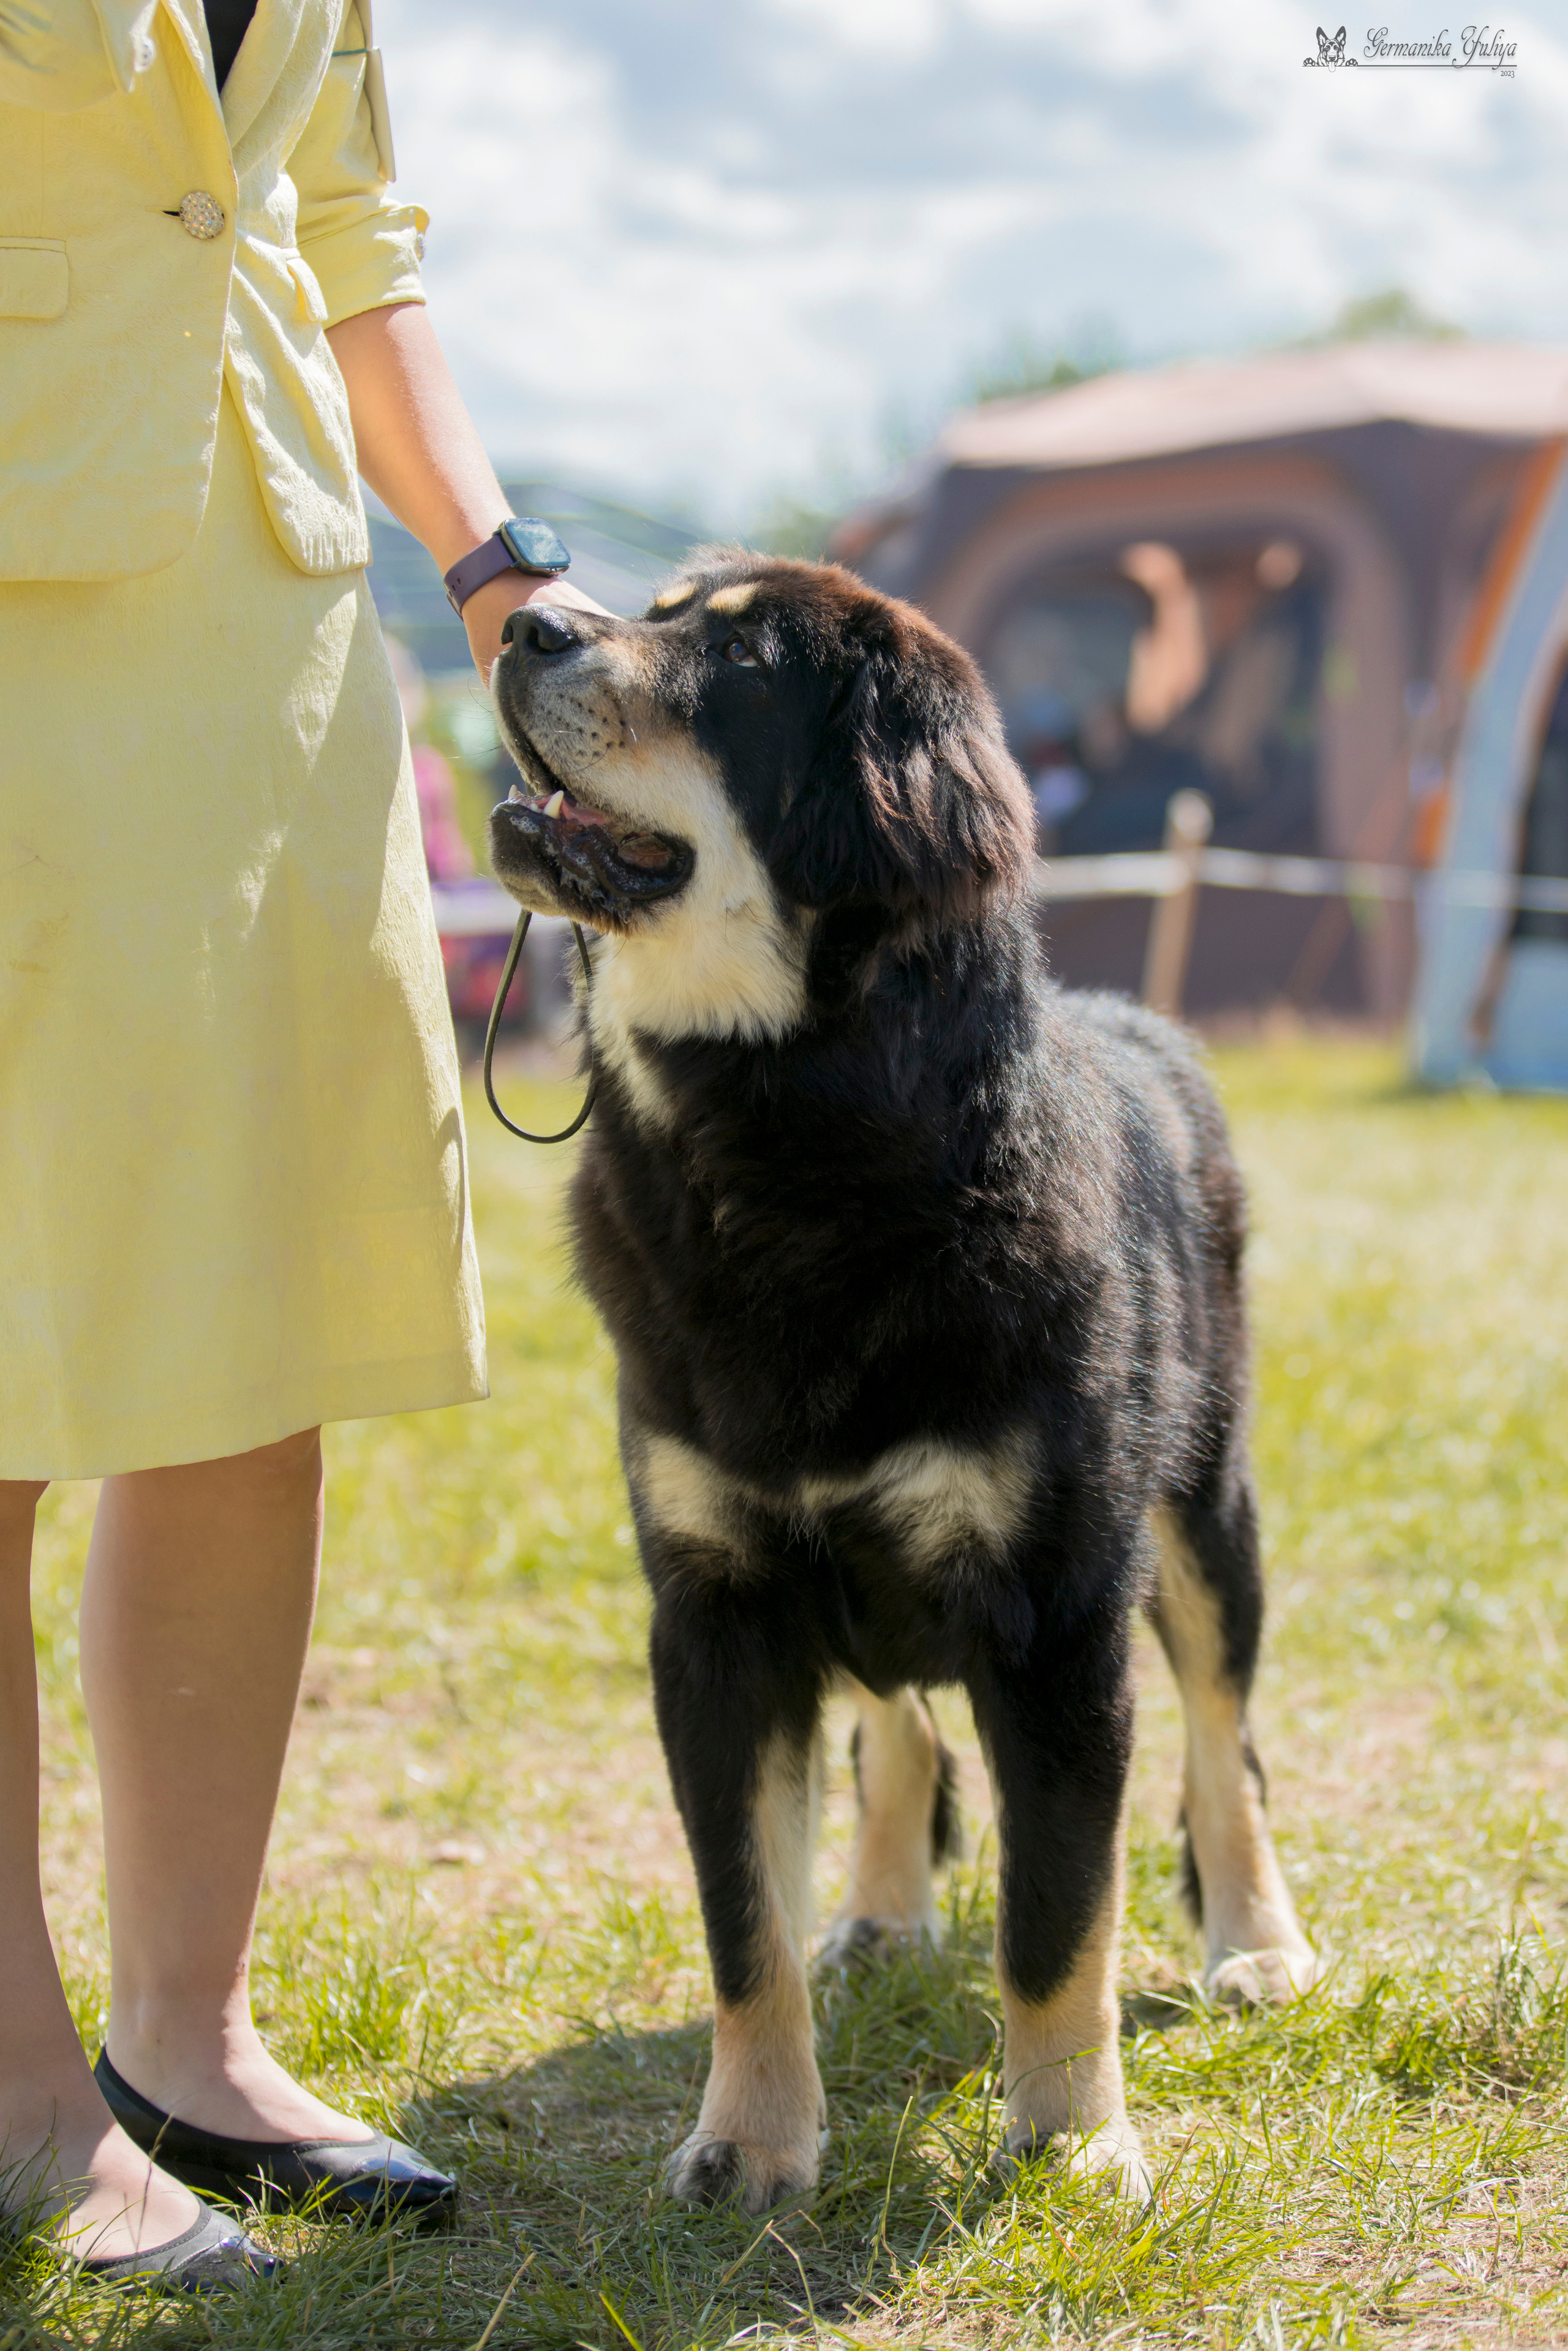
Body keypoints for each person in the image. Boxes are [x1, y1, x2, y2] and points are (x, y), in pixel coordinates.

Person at [1, 0, 597, 2292]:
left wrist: (490, 560)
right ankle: (11, 2089)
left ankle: (185, 2029)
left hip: (276, 627)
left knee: (252, 1345)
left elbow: (345, 224)